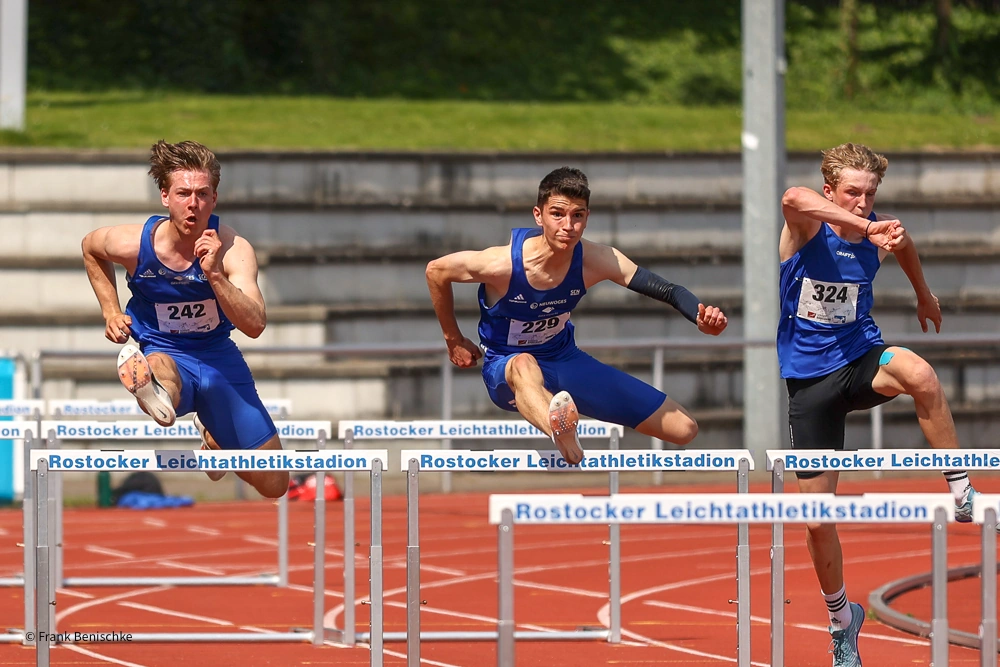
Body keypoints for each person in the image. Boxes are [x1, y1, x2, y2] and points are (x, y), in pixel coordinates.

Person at [778, 142, 989, 665]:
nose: (862, 203)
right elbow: (791, 195)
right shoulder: (805, 225)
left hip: (862, 359)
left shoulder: (882, 231)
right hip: (810, 385)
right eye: (852, 192)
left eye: (870, 194)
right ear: (832, 191)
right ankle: (841, 618)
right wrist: (863, 227)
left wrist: (923, 293)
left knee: (920, 373)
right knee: (815, 522)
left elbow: (907, 245)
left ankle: (961, 488)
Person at [426, 167, 728, 462]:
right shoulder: (501, 264)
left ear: (586, 218)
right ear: (538, 215)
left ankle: (561, 415)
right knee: (524, 364)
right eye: (557, 214)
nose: (567, 225)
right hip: (505, 367)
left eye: (577, 215)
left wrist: (699, 316)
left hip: (564, 360)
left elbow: (669, 290)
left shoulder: (596, 259)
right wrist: (453, 339)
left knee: (683, 428)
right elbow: (436, 271)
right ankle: (561, 430)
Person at [81, 140, 288, 499]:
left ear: (215, 198)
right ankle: (158, 394)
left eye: (202, 194)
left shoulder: (234, 250)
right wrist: (111, 310)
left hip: (218, 358)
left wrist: (215, 276)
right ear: (165, 196)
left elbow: (255, 325)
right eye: (183, 194)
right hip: (164, 349)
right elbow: (90, 247)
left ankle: (214, 438)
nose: (193, 204)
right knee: (161, 368)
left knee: (274, 484)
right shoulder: (133, 243)